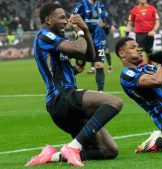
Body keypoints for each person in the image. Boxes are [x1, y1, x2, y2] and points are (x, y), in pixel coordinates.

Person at [25, 3, 123, 167]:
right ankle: (73, 147)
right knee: (114, 102)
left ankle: (52, 156)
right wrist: (79, 31)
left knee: (108, 151)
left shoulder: (59, 40)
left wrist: (85, 31)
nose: (66, 22)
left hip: (67, 105)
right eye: (62, 17)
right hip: (61, 97)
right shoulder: (44, 36)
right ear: (48, 20)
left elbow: (90, 56)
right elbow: (79, 50)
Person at [73, 0, 110, 91]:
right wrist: (80, 33)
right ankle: (61, 79)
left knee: (99, 65)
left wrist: (105, 27)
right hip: (84, 42)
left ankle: (100, 92)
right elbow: (71, 21)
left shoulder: (100, 6)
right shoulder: (82, 5)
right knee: (79, 67)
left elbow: (101, 21)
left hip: (98, 42)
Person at [126, 0, 160, 65]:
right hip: (139, 34)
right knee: (141, 51)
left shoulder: (152, 9)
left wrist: (154, 30)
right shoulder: (134, 10)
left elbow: (157, 22)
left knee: (149, 52)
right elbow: (130, 23)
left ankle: (150, 67)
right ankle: (141, 68)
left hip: (150, 34)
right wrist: (127, 34)